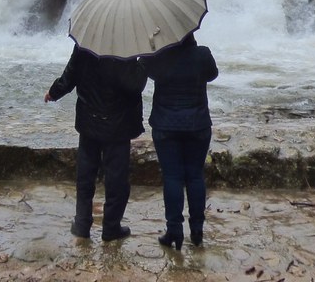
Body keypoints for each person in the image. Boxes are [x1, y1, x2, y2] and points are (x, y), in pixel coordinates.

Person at [45, 45, 147, 241]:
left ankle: (82, 224)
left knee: (85, 174)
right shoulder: (127, 45)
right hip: (119, 124)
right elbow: (135, 84)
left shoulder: (86, 42)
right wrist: (144, 62)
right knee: (116, 178)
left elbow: (70, 75)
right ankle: (111, 228)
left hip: (89, 119)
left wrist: (54, 92)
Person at [141, 33, 219, 250]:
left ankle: (174, 231)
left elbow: (143, 71)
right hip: (197, 124)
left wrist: (151, 46)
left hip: (166, 126)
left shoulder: (158, 56)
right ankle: (197, 230)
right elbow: (213, 75)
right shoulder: (202, 54)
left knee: (172, 177)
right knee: (195, 176)